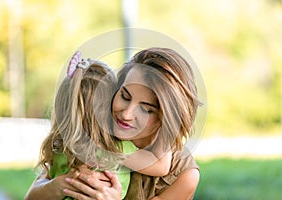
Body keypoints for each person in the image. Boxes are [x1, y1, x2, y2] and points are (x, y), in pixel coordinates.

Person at [25, 47, 201, 200]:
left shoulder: (183, 174)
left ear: (168, 119)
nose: (126, 114)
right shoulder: (96, 133)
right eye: (124, 96)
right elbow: (33, 195)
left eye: (147, 109)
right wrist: (60, 185)